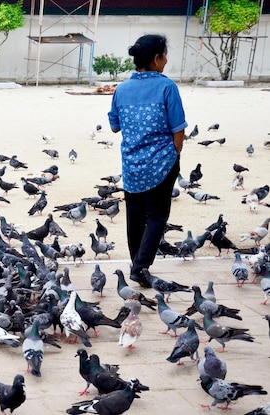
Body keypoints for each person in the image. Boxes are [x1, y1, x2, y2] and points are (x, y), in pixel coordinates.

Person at [107, 34, 187, 287]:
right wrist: (175, 153)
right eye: (164, 55)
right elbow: (178, 128)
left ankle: (137, 266)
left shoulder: (122, 89)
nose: (165, 60)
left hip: (132, 164)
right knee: (157, 216)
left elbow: (114, 126)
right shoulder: (167, 87)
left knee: (135, 216)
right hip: (162, 163)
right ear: (156, 59)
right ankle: (140, 267)